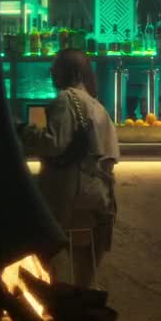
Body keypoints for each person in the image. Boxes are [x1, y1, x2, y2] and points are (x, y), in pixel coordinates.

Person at [19, 49, 120, 287]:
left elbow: (53, 145)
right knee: (83, 279)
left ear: (73, 73)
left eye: (56, 68)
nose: (51, 72)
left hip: (69, 200)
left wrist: (25, 131)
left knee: (52, 271)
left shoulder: (66, 100)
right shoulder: (98, 107)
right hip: (97, 202)